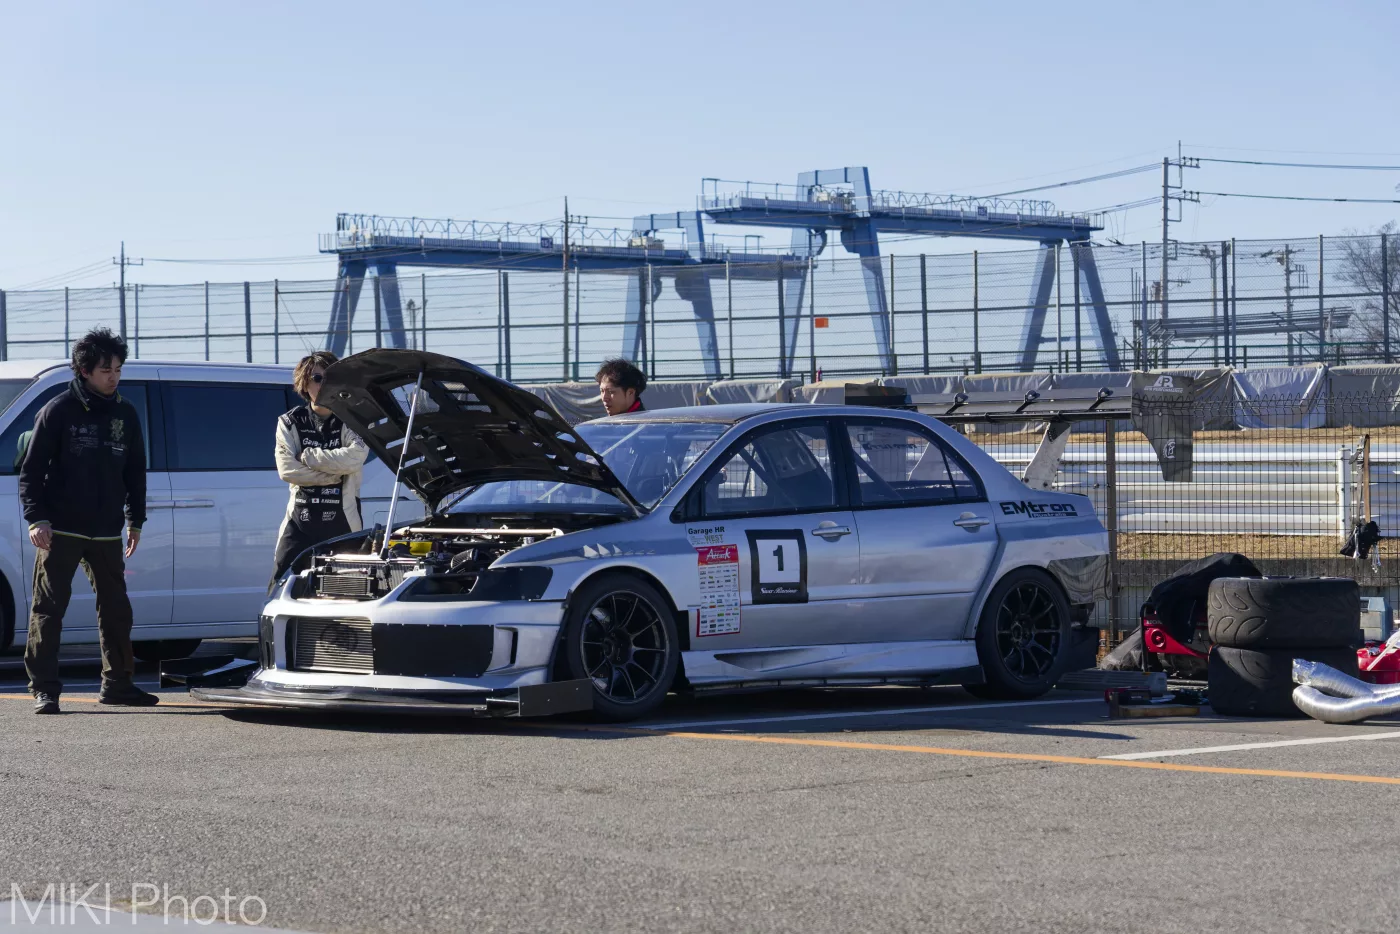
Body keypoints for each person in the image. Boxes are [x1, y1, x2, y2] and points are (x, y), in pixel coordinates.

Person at [21, 327, 155, 714]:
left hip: (106, 528)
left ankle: (118, 684)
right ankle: (44, 688)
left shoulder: (126, 413)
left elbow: (135, 471)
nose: (113, 376)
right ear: (83, 371)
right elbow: (31, 471)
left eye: (117, 369)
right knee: (48, 609)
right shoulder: (58, 410)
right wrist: (37, 519)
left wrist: (136, 521)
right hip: (59, 527)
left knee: (117, 608)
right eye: (104, 370)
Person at [271, 351, 369, 589]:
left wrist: (307, 456)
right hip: (299, 520)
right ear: (304, 382)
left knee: (348, 589)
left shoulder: (351, 419)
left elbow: (355, 459)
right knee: (281, 585)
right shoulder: (290, 422)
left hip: (343, 520)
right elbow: (288, 471)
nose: (323, 384)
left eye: (330, 378)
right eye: (317, 378)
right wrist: (335, 473)